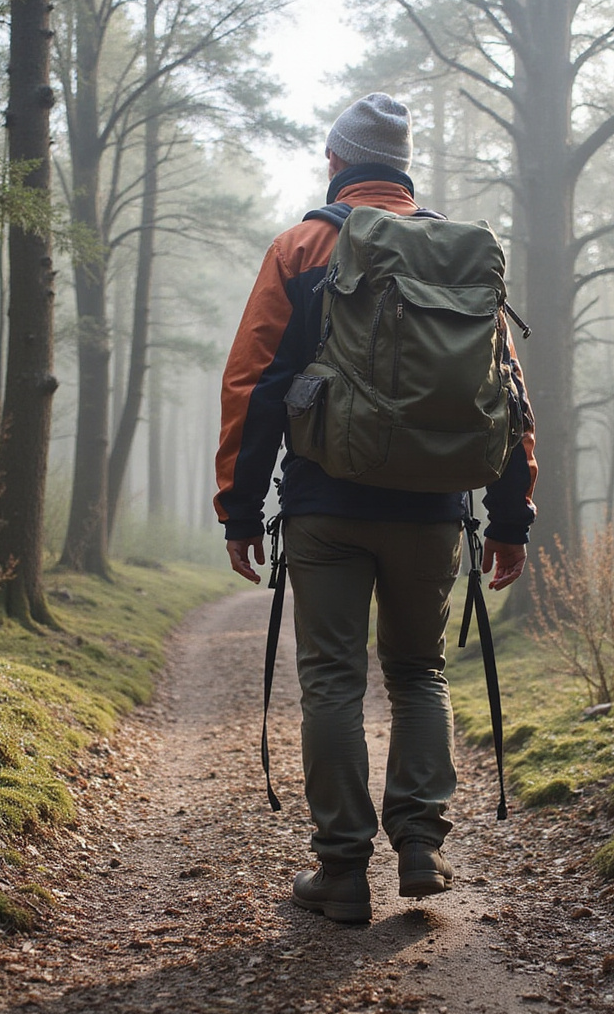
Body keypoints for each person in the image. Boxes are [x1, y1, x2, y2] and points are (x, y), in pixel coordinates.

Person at [214, 92, 537, 924]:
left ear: (336, 163)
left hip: (328, 502)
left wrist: (239, 508)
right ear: (403, 171)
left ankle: (342, 870)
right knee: (419, 671)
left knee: (331, 678)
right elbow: (507, 396)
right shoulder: (459, 254)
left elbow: (257, 384)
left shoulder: (303, 246)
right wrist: (510, 519)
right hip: (435, 510)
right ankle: (422, 842)